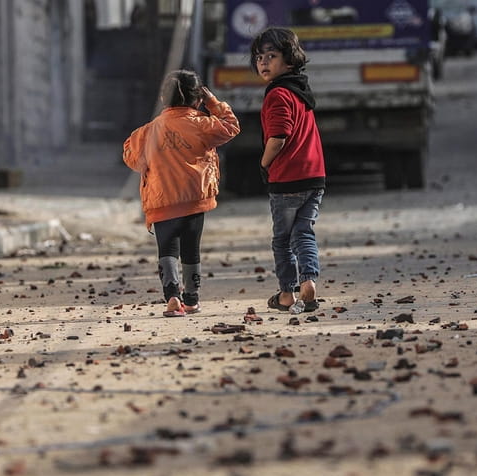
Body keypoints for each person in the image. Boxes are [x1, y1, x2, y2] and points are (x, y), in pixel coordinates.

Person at [123, 70, 240, 317]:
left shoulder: (147, 132)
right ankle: (192, 299)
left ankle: (172, 298)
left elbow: (130, 155)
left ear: (163, 100)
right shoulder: (203, 125)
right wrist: (214, 103)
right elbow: (231, 127)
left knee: (167, 250)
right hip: (194, 201)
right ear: (198, 100)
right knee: (191, 250)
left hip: (161, 203)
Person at [250, 27, 326, 314]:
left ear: (290, 61)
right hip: (315, 176)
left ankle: (286, 293)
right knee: (304, 233)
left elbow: (279, 137)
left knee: (282, 240)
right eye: (259, 57)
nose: (264, 62)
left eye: (272, 56)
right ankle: (309, 280)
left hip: (287, 179)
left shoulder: (278, 94)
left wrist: (264, 163)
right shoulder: (300, 90)